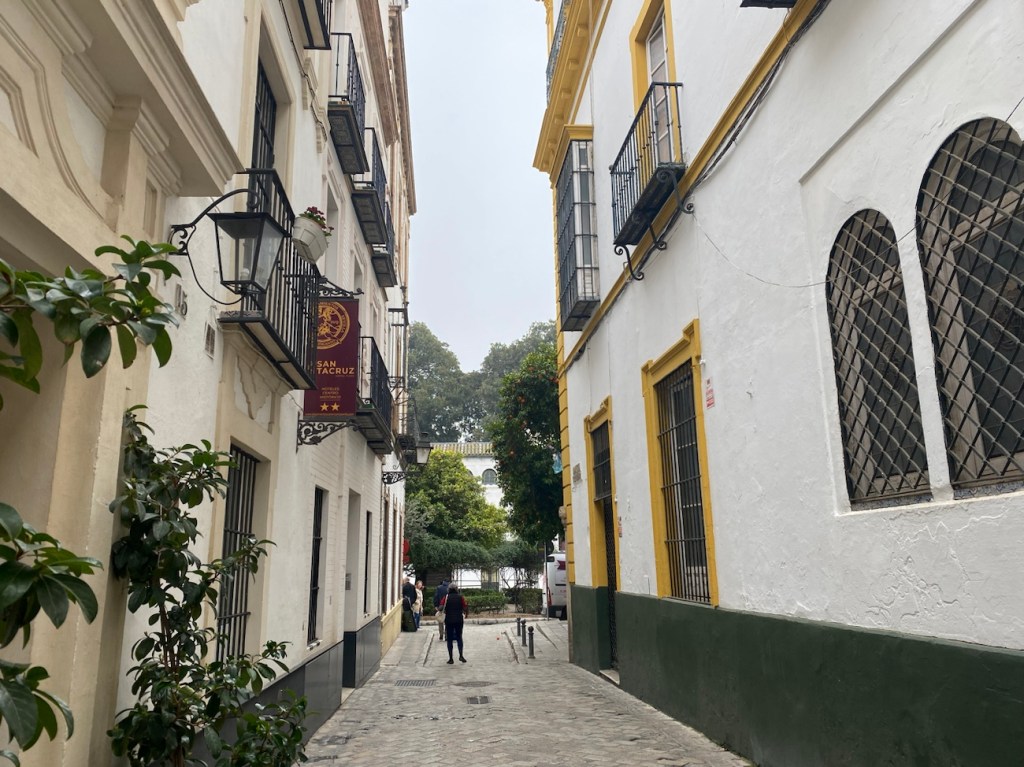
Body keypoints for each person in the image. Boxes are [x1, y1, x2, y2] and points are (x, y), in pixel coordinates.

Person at [443, 584, 468, 664]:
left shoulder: (446, 597)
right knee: (459, 637)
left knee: (449, 639)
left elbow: (441, 607)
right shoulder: (460, 597)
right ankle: (461, 655)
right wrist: (465, 613)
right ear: (456, 589)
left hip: (449, 620)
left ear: (449, 589)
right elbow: (465, 607)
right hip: (459, 620)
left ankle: (451, 658)